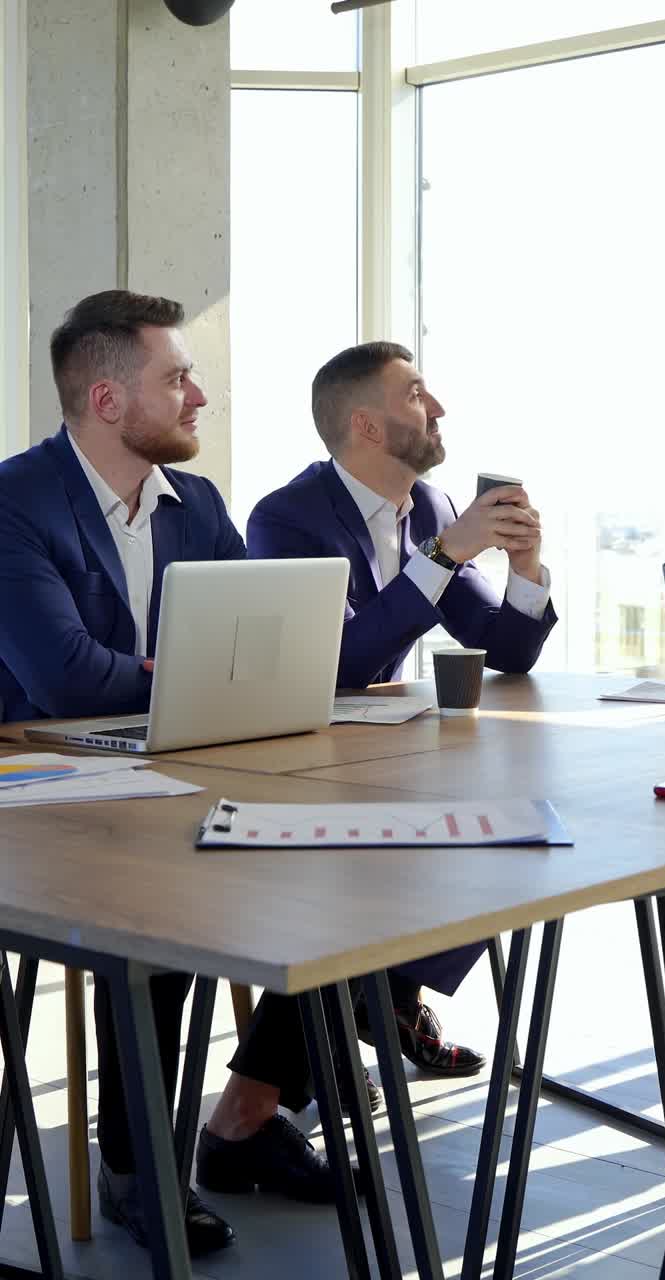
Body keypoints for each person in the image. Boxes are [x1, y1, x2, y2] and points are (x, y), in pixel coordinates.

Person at [0, 292, 370, 1260]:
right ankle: (134, 1168)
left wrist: (195, 684)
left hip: (165, 762)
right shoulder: (13, 500)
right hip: (34, 785)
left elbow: (251, 648)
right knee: (165, 901)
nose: (199, 394)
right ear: (109, 398)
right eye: (177, 377)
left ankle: (251, 1106)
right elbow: (63, 678)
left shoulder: (196, 506)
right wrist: (183, 679)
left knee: (361, 860)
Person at [247, 340, 558, 1074]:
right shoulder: (286, 519)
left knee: (507, 824)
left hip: (375, 755)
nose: (439, 407)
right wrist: (446, 555)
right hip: (290, 756)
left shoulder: (430, 507)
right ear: (367, 426)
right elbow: (340, 661)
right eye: (417, 393)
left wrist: (525, 567)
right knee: (354, 880)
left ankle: (390, 990)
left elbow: (503, 647)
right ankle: (380, 998)